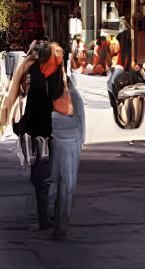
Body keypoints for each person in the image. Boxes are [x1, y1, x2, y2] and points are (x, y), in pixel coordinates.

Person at [0, 40, 56, 230]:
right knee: (45, 173)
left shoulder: (24, 66)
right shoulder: (45, 68)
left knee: (39, 173)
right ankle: (46, 218)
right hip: (42, 127)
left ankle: (44, 216)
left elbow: (16, 93)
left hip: (29, 127)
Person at [48, 45, 86, 240]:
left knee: (60, 183)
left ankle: (57, 222)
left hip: (63, 142)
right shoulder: (69, 96)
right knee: (64, 185)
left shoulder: (68, 96)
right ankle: (57, 221)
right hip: (66, 143)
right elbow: (82, 124)